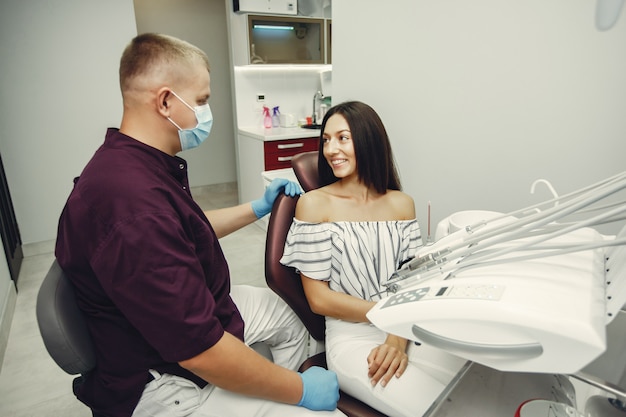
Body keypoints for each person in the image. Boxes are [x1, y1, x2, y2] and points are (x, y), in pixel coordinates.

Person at [55, 33, 345, 417]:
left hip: (195, 306)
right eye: (202, 101)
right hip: (164, 381)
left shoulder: (136, 163)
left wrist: (256, 208)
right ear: (165, 101)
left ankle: (269, 390)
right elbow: (199, 351)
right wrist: (299, 391)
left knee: (286, 317)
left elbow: (180, 229)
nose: (206, 112)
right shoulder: (132, 205)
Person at [280, 101, 466, 417]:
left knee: (477, 381)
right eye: (325, 140)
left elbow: (412, 280)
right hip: (353, 336)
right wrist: (389, 316)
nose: (330, 149)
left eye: (342, 138)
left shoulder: (401, 204)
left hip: (407, 325)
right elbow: (319, 299)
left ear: (368, 140)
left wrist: (397, 332)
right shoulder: (314, 205)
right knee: (438, 408)